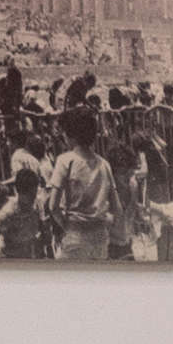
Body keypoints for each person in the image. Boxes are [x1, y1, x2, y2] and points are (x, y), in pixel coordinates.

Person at [45, 110, 115, 261]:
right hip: (100, 235)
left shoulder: (65, 161)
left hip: (75, 234)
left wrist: (66, 226)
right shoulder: (105, 164)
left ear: (71, 135)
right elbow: (115, 205)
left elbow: (52, 206)